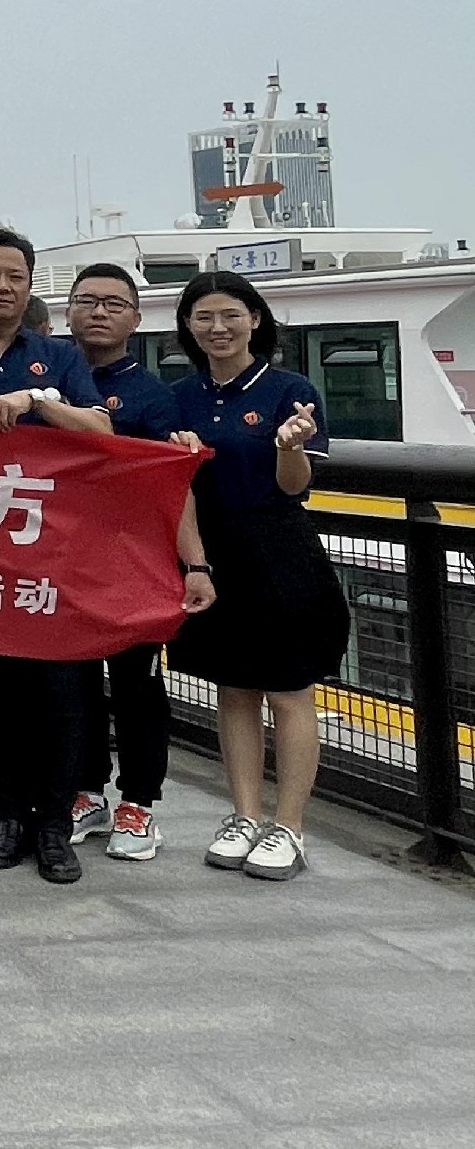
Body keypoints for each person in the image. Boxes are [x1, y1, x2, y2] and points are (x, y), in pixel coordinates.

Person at [0, 228, 112, 886]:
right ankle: (7, 817)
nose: (2, 286)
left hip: (54, 557)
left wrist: (37, 401)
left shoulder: (58, 357)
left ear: (31, 286)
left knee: (63, 693)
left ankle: (54, 825)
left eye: (15, 276)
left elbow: (101, 429)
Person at [165, 271, 347, 881]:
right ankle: (243, 815)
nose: (218, 328)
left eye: (231, 315)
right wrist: (195, 563)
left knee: (289, 690)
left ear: (255, 320)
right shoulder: (179, 398)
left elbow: (294, 487)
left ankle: (289, 827)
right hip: (212, 553)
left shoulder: (290, 390)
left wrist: (288, 446)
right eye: (204, 317)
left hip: (279, 550)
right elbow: (178, 490)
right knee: (234, 688)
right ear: (188, 327)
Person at [63, 262, 217, 863]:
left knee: (137, 688)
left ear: (135, 318)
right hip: (61, 563)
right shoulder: (48, 378)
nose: (99, 312)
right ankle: (85, 792)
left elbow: (175, 487)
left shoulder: (153, 396)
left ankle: (139, 803)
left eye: (114, 303)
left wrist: (195, 566)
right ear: (67, 312)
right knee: (73, 684)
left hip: (135, 566)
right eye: (87, 301)